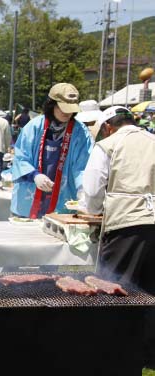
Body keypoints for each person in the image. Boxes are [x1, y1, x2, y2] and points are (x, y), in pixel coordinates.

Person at [81, 106, 155, 291]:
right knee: (149, 291)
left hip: (125, 226)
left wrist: (94, 211)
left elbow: (92, 189)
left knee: (115, 290)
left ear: (107, 127)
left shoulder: (108, 145)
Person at [10, 83, 93, 219]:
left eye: (71, 109)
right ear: (51, 105)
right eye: (63, 108)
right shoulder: (34, 127)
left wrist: (83, 190)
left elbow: (83, 166)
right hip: (28, 201)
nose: (67, 113)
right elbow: (20, 158)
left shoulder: (80, 132)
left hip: (63, 200)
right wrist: (35, 175)